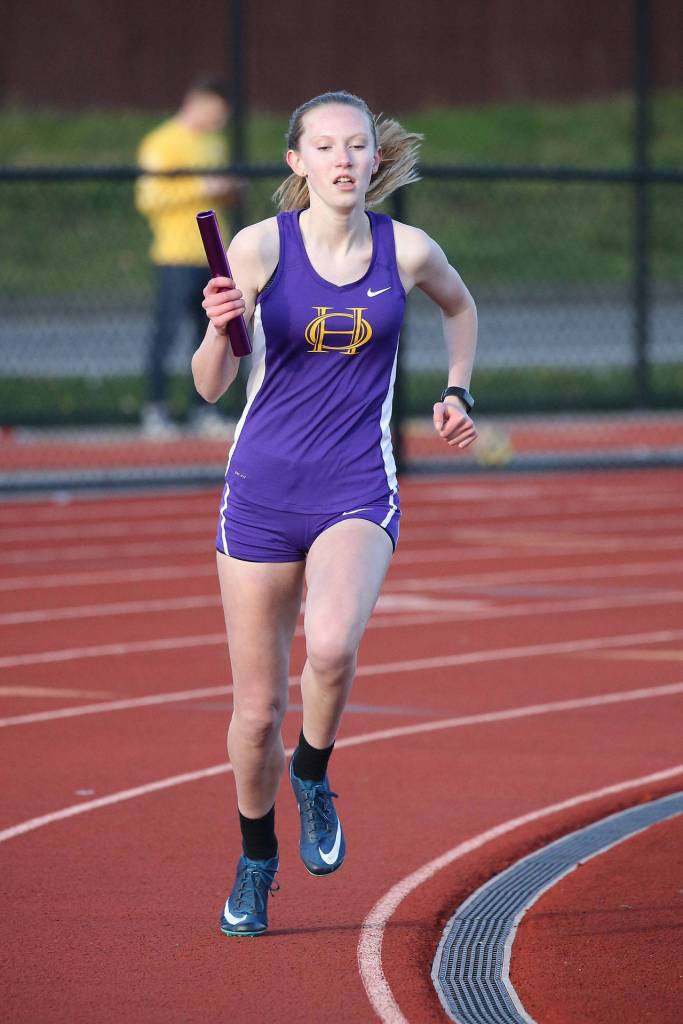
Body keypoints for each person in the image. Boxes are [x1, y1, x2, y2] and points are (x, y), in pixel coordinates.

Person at [191, 90, 478, 936]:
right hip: (260, 491)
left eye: (356, 146)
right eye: (325, 146)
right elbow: (209, 385)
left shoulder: (410, 249)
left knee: (334, 641)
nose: (344, 160)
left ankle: (311, 774)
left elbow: (459, 308)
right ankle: (255, 859)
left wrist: (456, 389)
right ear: (298, 162)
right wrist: (217, 330)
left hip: (355, 482)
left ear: (373, 160)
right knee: (254, 716)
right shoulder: (256, 248)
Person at [135, 77, 243, 438]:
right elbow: (149, 197)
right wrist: (200, 187)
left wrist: (226, 190)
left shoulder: (214, 142)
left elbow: (217, 194)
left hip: (213, 259)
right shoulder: (162, 142)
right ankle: (156, 409)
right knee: (165, 335)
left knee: (212, 333)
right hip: (175, 255)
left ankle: (204, 410)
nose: (219, 121)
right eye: (216, 112)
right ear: (196, 102)